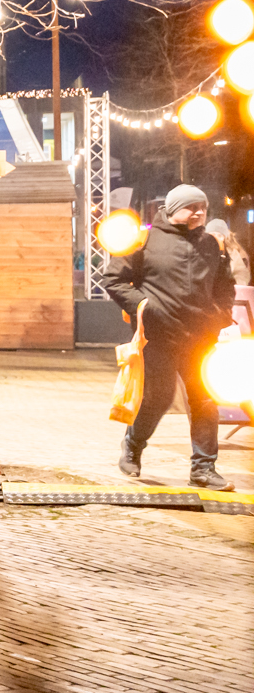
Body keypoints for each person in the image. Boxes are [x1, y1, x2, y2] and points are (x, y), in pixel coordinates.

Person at [108, 185, 236, 490]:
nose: (199, 212)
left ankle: (203, 469)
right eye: (192, 207)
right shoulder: (145, 239)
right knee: (158, 398)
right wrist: (143, 306)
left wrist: (220, 316)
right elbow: (113, 278)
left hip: (200, 339)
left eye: (203, 207)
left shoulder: (212, 245)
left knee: (205, 400)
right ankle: (133, 445)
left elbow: (225, 287)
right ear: (172, 208)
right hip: (159, 337)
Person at [205, 219, 250, 286]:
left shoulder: (232, 254)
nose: (215, 238)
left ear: (224, 237)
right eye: (212, 235)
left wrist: (230, 286)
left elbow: (242, 275)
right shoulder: (201, 251)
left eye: (219, 235)